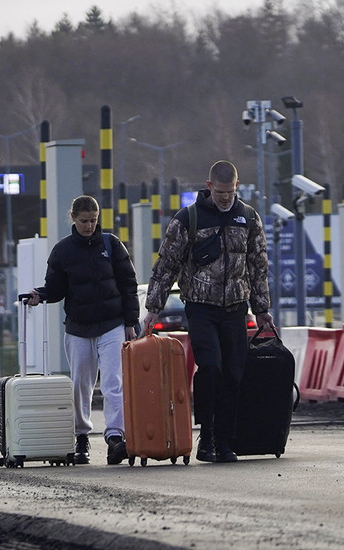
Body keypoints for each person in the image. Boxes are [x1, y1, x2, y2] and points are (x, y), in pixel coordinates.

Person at [143, 160, 274, 463]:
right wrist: (153, 308)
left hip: (236, 309)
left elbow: (258, 267)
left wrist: (262, 309)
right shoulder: (188, 218)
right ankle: (206, 433)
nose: (225, 198)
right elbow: (166, 266)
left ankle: (224, 440)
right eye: (220, 192)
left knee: (234, 374)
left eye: (230, 192)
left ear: (236, 188)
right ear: (208, 186)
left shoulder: (249, 218)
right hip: (201, 306)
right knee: (211, 367)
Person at [25, 196, 139, 465]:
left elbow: (128, 284)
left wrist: (130, 322)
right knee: (80, 386)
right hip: (78, 328)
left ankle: (115, 438)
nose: (89, 226)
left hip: (112, 324)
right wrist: (39, 295)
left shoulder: (111, 245)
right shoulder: (63, 251)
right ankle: (81, 436)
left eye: (93, 221)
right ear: (73, 218)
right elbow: (55, 288)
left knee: (114, 382)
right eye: (84, 221)